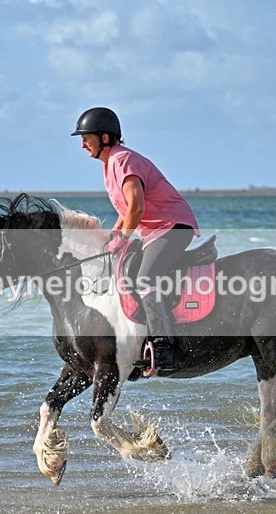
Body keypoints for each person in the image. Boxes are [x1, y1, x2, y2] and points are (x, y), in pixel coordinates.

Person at [71, 107, 200, 374]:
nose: (82, 144)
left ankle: (164, 349)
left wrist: (125, 235)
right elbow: (124, 211)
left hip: (171, 226)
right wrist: (114, 236)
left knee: (145, 279)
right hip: (153, 231)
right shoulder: (110, 166)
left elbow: (137, 207)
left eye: (86, 138)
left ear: (105, 137)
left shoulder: (123, 160)